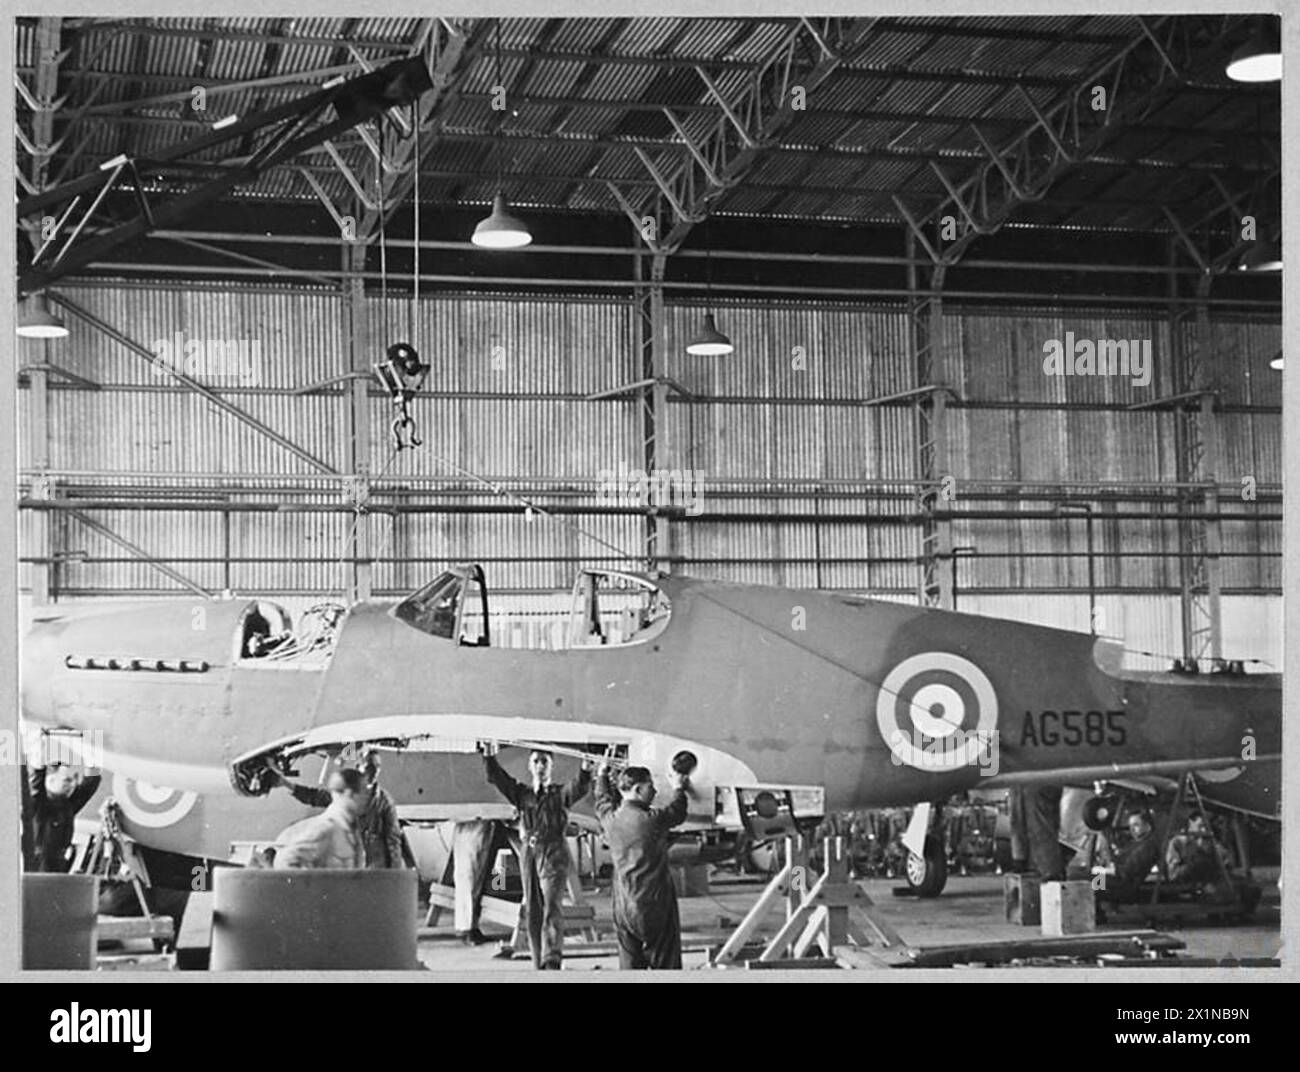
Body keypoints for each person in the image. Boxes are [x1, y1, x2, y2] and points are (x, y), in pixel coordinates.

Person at [482, 743, 592, 970]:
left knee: (552, 906)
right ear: (529, 766)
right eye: (536, 761)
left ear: (551, 766)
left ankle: (552, 958)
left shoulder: (560, 794)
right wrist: (489, 754)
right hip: (529, 852)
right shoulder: (522, 794)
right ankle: (537, 959)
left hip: (554, 853)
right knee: (533, 907)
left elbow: (579, 785)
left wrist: (586, 765)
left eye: (545, 761)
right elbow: (497, 777)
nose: (540, 765)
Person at [594, 760, 689, 970]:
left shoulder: (609, 820)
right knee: (666, 967)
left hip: (624, 908)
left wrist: (601, 775)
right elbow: (677, 812)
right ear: (637, 789)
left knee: (630, 968)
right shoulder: (650, 819)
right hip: (654, 905)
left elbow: (601, 801)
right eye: (650, 786)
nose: (655, 791)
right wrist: (679, 788)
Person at [271, 749, 407, 869]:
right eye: (370, 766)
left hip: (374, 870)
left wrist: (393, 874)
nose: (374, 771)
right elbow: (314, 796)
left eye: (377, 767)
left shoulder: (384, 801)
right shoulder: (329, 827)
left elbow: (393, 839)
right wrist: (287, 784)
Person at [272, 768, 365, 870]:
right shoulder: (326, 830)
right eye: (364, 792)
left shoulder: (351, 829)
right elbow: (287, 862)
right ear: (349, 793)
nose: (367, 797)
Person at [23, 762, 103, 873]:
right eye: (67, 781)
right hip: (47, 863)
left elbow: (88, 786)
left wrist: (93, 762)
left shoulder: (57, 806)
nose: (72, 785)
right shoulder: (47, 806)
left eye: (70, 780)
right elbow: (35, 784)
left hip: (52, 861)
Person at [1098, 809, 1162, 902]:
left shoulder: (1147, 846)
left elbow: (1126, 872)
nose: (1132, 829)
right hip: (1117, 881)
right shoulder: (1135, 844)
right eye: (1130, 826)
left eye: (1136, 825)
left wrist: (1103, 871)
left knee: (1088, 883)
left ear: (1147, 826)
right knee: (1084, 879)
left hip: (1124, 887)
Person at [1166, 812, 1229, 884]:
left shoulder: (1210, 841)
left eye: (1206, 827)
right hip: (1187, 885)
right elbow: (1173, 874)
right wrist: (1195, 863)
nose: (1203, 830)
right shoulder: (1178, 842)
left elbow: (1225, 863)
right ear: (1191, 823)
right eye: (1200, 826)